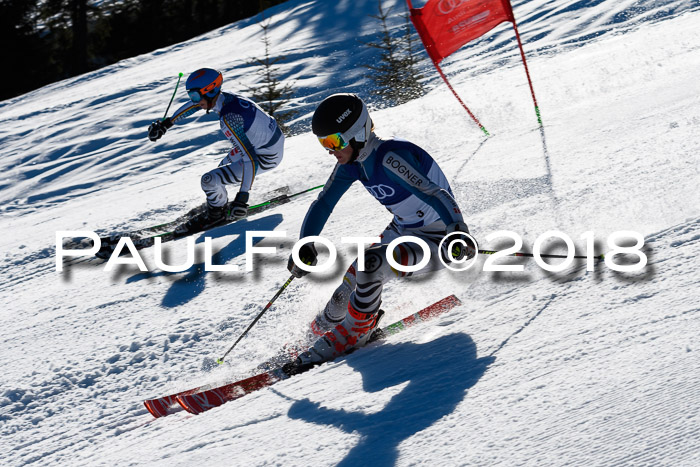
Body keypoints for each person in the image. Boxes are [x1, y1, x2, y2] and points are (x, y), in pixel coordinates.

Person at [283, 93, 476, 374]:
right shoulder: (351, 165)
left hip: (437, 240)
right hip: (403, 231)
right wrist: (305, 245)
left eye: (333, 141)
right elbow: (323, 202)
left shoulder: (390, 157)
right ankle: (317, 331)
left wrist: (458, 232)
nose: (330, 150)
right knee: (345, 291)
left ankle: (354, 332)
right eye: (324, 144)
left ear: (355, 133)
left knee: (370, 264)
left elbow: (436, 194)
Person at [147, 68, 285, 231]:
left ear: (210, 90)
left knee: (209, 180)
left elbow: (251, 159)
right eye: (191, 95)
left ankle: (216, 215)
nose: (194, 100)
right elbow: (194, 106)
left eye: (195, 96)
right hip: (270, 142)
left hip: (265, 157)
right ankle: (218, 203)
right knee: (221, 169)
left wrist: (242, 198)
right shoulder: (225, 97)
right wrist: (167, 123)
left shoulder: (229, 119)